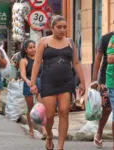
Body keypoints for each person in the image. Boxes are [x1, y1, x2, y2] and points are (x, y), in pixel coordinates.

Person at [30, 15, 85, 150]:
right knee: (49, 115)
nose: (62, 30)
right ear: (52, 28)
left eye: (64, 27)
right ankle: (49, 135)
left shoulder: (70, 42)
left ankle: (60, 147)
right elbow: (37, 63)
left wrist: (82, 82)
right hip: (48, 81)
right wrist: (32, 83)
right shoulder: (44, 42)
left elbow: (76, 63)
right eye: (59, 27)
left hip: (66, 81)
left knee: (64, 111)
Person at [19, 40, 47, 139]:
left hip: (41, 83)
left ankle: (44, 130)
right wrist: (27, 81)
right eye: (30, 48)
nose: (33, 49)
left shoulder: (41, 59)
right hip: (29, 84)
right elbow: (22, 74)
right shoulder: (24, 60)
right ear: (26, 50)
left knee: (41, 107)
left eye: (34, 47)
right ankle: (31, 129)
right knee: (31, 108)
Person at [92, 31, 114, 148]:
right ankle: (100, 131)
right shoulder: (106, 38)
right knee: (107, 109)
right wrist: (96, 81)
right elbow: (98, 59)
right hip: (107, 80)